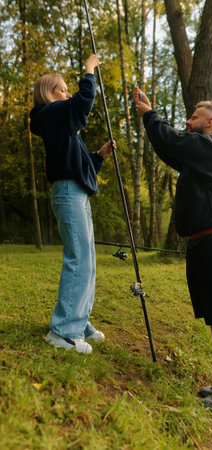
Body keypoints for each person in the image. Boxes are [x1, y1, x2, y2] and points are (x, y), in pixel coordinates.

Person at [133, 87, 212, 414]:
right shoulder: (197, 155)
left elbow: (172, 141)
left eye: (195, 117)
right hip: (202, 244)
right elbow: (168, 148)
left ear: (211, 123)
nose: (188, 121)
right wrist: (150, 123)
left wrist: (149, 114)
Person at [30, 54, 115, 354]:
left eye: (68, 89)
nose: (68, 94)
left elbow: (81, 166)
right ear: (47, 93)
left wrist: (99, 156)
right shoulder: (48, 115)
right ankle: (63, 331)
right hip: (68, 193)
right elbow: (82, 103)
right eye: (62, 89)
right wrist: (89, 70)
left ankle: (79, 320)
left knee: (88, 262)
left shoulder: (63, 129)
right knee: (79, 258)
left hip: (78, 192)